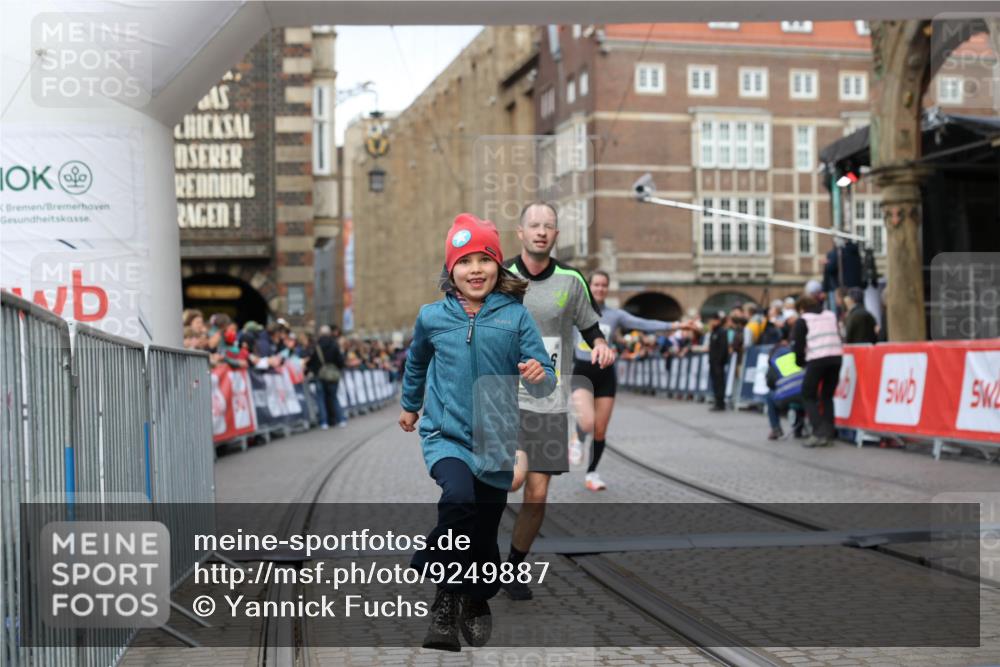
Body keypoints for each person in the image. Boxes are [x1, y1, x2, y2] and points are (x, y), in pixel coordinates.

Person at [399, 213, 555, 651]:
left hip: (495, 441)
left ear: (498, 267)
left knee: (484, 533)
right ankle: (446, 601)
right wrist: (411, 406)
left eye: (484, 259)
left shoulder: (515, 317)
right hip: (445, 435)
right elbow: (416, 363)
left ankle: (475, 597)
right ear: (451, 271)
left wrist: (538, 373)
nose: (475, 269)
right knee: (457, 500)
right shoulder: (432, 318)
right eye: (464, 261)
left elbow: (546, 373)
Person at [503, 201, 615, 601]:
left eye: (548, 225)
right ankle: (478, 552)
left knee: (537, 494)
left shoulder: (571, 280)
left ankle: (513, 567)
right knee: (509, 479)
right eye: (534, 225)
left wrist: (600, 345)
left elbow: (590, 325)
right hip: (502, 398)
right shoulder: (500, 276)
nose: (541, 231)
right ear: (520, 232)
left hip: (549, 402)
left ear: (555, 235)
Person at [570, 270, 691, 491]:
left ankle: (592, 473)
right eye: (596, 285)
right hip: (582, 372)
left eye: (604, 285)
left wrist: (674, 326)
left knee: (600, 429)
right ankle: (576, 439)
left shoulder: (616, 315)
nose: (600, 289)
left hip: (606, 374)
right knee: (587, 421)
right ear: (589, 287)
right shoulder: (576, 311)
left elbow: (643, 323)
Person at [793, 294, 844, 447]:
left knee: (807, 395)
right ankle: (829, 433)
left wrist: (800, 363)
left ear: (802, 308)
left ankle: (818, 432)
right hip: (836, 357)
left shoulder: (803, 320)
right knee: (827, 396)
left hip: (817, 359)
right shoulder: (830, 315)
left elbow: (799, 346)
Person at [764, 328, 805, 440]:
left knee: (769, 396)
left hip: (786, 398)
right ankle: (798, 430)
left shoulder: (774, 361)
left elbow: (770, 383)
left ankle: (776, 429)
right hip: (804, 395)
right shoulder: (796, 356)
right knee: (798, 391)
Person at [309, 325, 347, 429]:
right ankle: (340, 419)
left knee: (321, 399)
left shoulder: (317, 346)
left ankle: (324, 422)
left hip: (320, 376)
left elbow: (312, 362)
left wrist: (312, 370)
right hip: (333, 375)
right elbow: (340, 361)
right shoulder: (334, 345)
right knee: (334, 397)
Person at [707, 311, 729, 411]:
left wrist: (719, 361)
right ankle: (717, 401)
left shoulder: (721, 331)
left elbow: (723, 348)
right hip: (713, 362)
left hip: (718, 363)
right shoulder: (713, 332)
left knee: (720, 382)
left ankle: (721, 403)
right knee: (715, 382)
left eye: (712, 320)